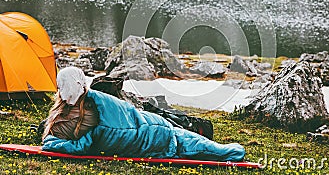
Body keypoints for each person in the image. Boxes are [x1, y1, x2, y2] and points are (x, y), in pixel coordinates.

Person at [42, 67, 245, 161]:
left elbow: (78, 146)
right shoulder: (92, 108)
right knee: (225, 151)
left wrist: (51, 141)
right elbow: (80, 147)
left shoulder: (85, 110)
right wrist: (52, 142)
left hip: (156, 129)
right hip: (162, 137)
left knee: (194, 139)